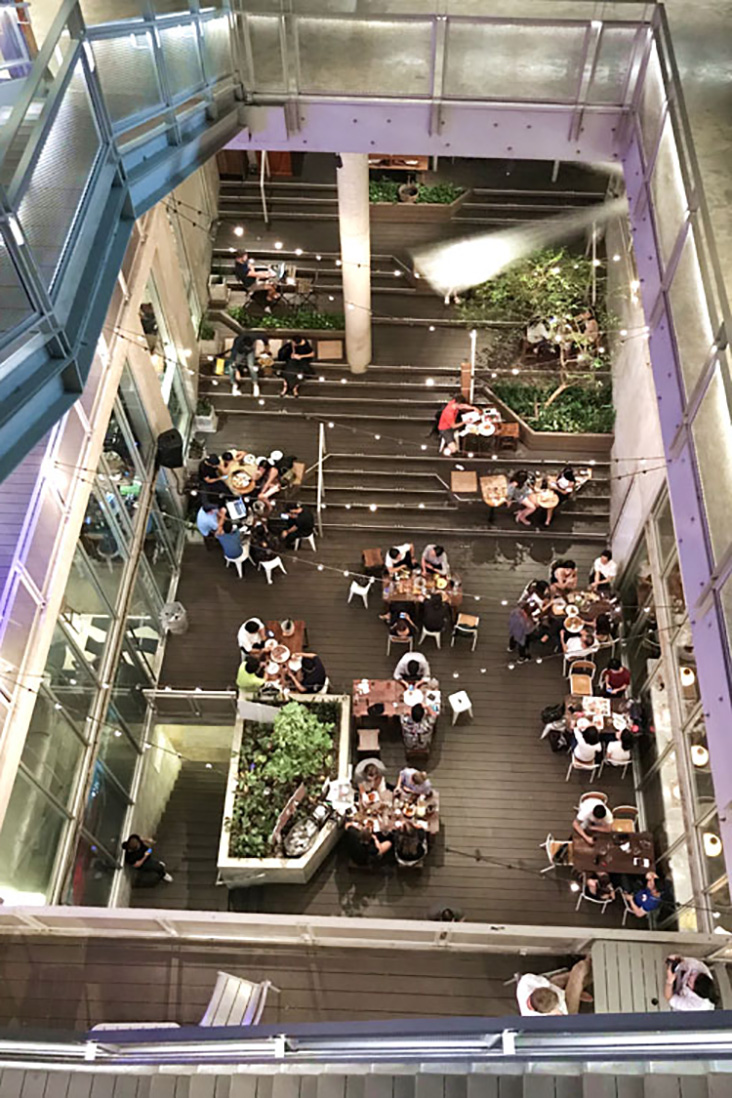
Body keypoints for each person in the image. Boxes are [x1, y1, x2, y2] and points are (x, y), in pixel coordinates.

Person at [516, 957, 592, 1016]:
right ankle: (594, 968)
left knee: (577, 972)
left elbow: (549, 983)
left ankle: (592, 959)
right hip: (565, 1011)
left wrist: (576, 990)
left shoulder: (526, 982)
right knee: (579, 972)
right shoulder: (538, 1020)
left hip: (551, 988)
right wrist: (575, 994)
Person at [229, 332, 260, 397]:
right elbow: (232, 359)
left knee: (251, 366)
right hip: (239, 352)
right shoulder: (237, 344)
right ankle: (234, 385)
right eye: (247, 348)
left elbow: (264, 337)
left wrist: (266, 345)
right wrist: (237, 371)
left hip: (250, 352)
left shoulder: (254, 336)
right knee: (231, 367)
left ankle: (255, 384)